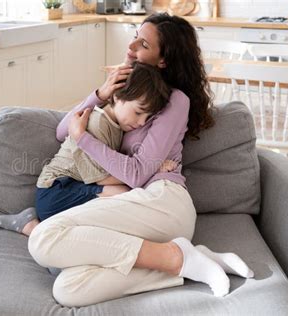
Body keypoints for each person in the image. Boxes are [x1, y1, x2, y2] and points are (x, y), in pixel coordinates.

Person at [26, 13, 254, 307]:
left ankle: (179, 257)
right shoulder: (126, 89)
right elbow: (63, 132)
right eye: (135, 34)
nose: (131, 45)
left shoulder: (175, 100)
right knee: (68, 289)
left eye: (143, 43)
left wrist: (84, 139)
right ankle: (185, 260)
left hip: (163, 202)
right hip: (137, 207)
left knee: (44, 238)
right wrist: (99, 94)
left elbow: (135, 175)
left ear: (163, 60)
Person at [0, 62, 172, 236]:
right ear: (117, 96)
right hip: (55, 191)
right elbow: (100, 176)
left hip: (73, 187)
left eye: (147, 118)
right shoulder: (98, 123)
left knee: (117, 197)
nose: (141, 122)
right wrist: (151, 168)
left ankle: (35, 227)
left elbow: (115, 166)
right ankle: (33, 228)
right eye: (138, 112)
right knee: (121, 192)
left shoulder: (115, 125)